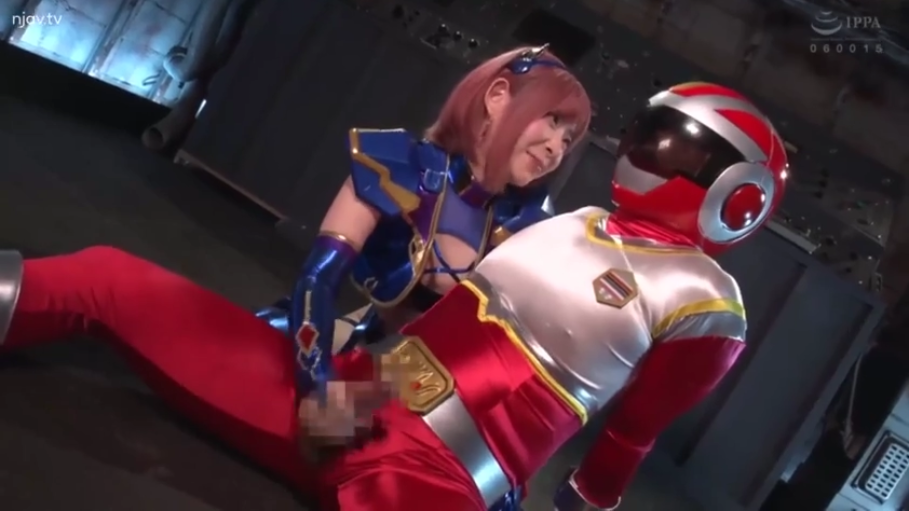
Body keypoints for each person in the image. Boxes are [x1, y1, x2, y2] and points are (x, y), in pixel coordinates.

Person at [0, 82, 787, 511]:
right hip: (352, 399)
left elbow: (629, 439)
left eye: (680, 149)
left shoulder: (704, 298)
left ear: (740, 193)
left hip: (440, 469)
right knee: (109, 277)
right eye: (654, 134)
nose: (652, 153)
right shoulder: (569, 221)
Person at [255, 44, 592, 400]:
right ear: (497, 96)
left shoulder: (526, 226)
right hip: (337, 355)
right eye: (553, 121)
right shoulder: (396, 168)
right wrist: (318, 384)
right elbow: (317, 279)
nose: (557, 148)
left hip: (415, 386)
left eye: (567, 139)